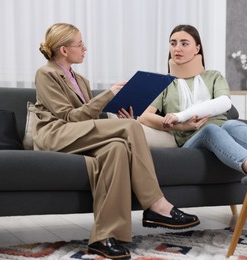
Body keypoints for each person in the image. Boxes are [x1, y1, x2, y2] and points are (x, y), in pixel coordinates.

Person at [34, 23, 199, 260]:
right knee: (131, 127)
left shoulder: (79, 79)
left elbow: (87, 117)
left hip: (75, 133)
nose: (85, 48)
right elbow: (68, 117)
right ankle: (155, 204)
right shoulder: (46, 73)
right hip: (55, 135)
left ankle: (104, 238)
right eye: (80, 44)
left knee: (117, 148)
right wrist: (108, 96)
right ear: (64, 50)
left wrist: (118, 115)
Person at [138, 24, 247, 178]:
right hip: (191, 139)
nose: (177, 48)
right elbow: (144, 117)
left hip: (224, 128)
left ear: (197, 48)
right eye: (173, 43)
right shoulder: (164, 83)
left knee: (231, 125)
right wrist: (180, 125)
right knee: (211, 130)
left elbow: (224, 103)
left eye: (184, 44)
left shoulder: (213, 76)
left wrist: (180, 115)